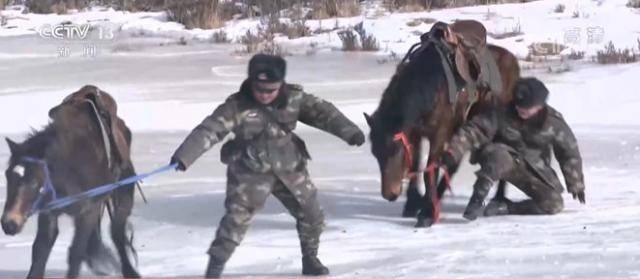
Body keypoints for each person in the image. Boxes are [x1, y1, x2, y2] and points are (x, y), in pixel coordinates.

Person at [170, 54, 365, 278]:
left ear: (280, 85)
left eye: (270, 90)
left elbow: (324, 113)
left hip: (289, 166)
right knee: (235, 222)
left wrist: (349, 131)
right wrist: (184, 157)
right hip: (249, 170)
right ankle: (214, 269)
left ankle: (310, 259)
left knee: (311, 214)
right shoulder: (236, 106)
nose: (264, 95)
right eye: (259, 89)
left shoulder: (294, 98)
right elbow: (210, 129)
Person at [441, 77, 586, 221]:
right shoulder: (500, 112)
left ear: (540, 105)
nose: (521, 109)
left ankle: (505, 207)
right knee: (499, 156)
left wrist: (576, 183)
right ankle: (477, 199)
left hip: (531, 167)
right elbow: (474, 130)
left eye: (527, 107)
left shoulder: (554, 123)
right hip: (500, 159)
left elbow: (569, 153)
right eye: (519, 105)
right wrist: (454, 151)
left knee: (554, 204)